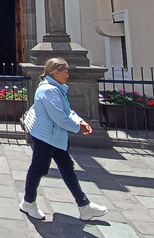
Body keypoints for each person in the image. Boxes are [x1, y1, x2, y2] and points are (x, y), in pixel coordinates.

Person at [20, 58, 108, 221]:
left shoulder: (56, 88)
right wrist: (78, 127)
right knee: (38, 169)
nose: (68, 75)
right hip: (46, 137)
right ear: (56, 73)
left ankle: (84, 206)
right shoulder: (49, 91)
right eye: (65, 72)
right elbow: (60, 118)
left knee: (67, 169)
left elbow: (67, 110)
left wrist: (80, 121)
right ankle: (28, 202)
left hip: (55, 137)